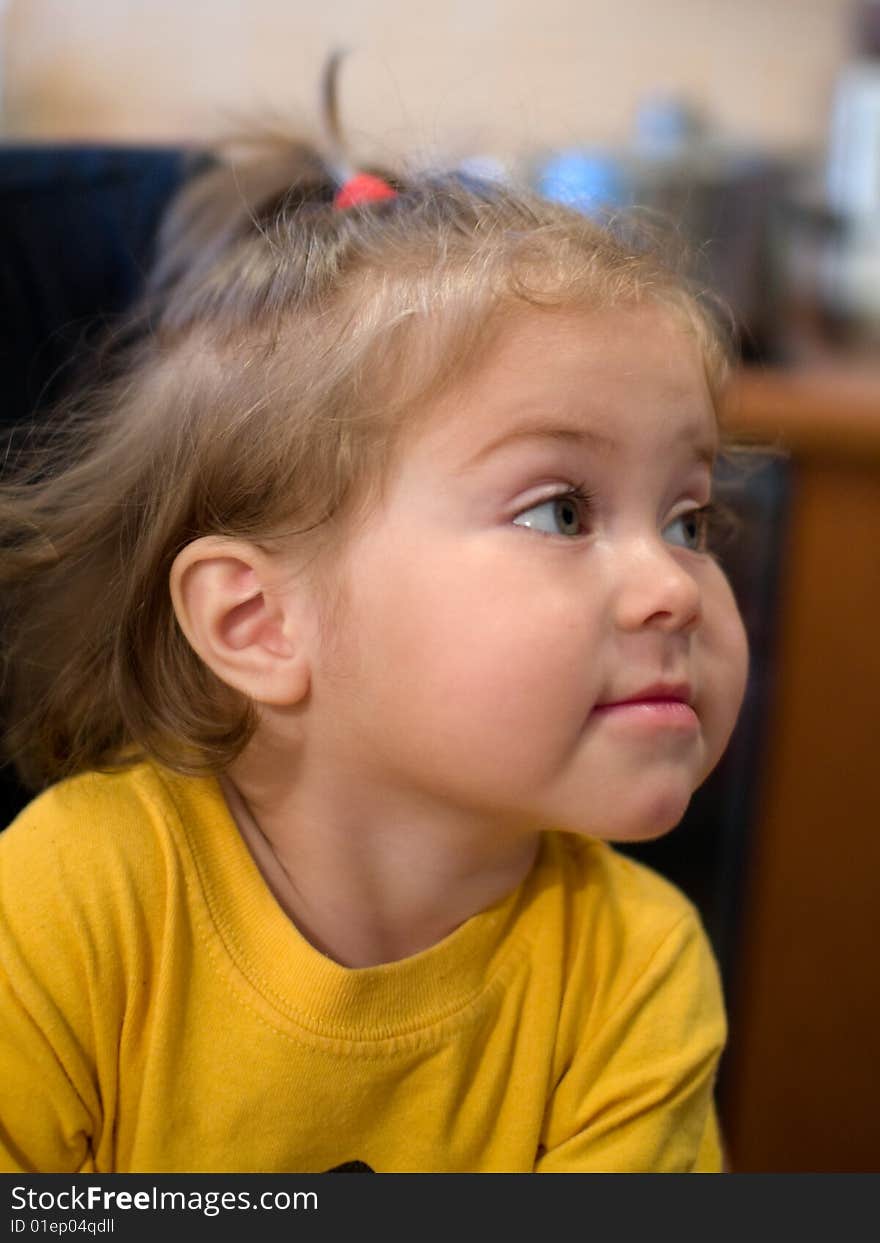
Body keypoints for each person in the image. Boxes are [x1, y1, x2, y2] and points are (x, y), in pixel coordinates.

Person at [0, 94, 749, 1173]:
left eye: (688, 519)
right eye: (561, 511)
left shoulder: (636, 970)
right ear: (260, 622)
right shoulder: (75, 898)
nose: (674, 586)